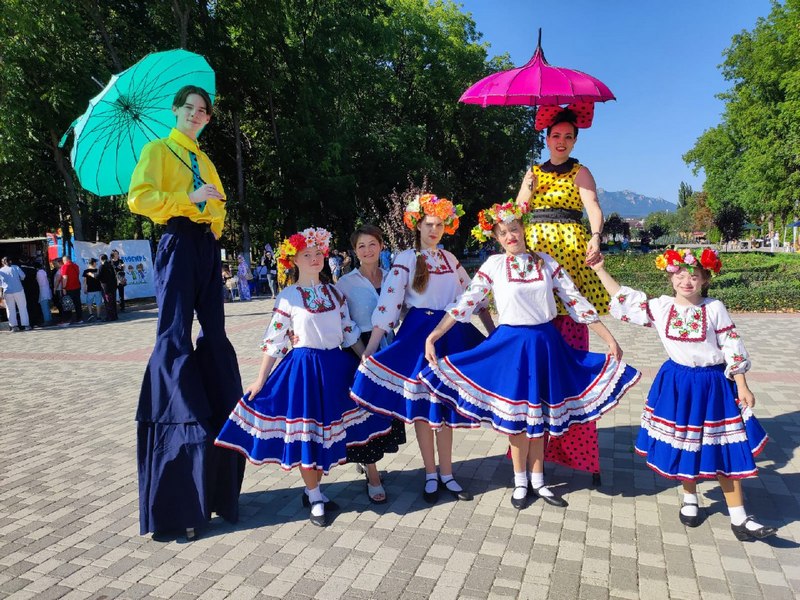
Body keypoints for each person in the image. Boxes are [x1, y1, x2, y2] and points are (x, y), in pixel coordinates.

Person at [420, 203, 640, 509]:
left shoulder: (547, 263)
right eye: (503, 233)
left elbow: (576, 302)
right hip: (512, 346)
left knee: (540, 417)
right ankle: (520, 480)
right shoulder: (494, 266)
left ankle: (539, 481)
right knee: (518, 419)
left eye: (514, 229)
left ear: (524, 230)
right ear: (496, 238)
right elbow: (465, 304)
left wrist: (609, 339)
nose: (510, 236)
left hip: (546, 343)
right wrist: (434, 336)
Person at [590, 248, 776, 540]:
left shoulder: (714, 308)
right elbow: (626, 299)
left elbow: (732, 346)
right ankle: (690, 498)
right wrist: (600, 269)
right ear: (670, 276)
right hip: (678, 383)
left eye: (694, 276)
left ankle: (740, 519)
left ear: (705, 279)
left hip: (714, 384)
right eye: (680, 275)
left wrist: (741, 383)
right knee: (684, 441)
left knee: (724, 447)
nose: (686, 281)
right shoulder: (662, 308)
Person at [128, 84, 245, 541]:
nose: (197, 116)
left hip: (205, 247)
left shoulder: (206, 159)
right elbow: (140, 198)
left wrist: (214, 216)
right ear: (175, 111)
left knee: (214, 337)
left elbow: (217, 208)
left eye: (203, 112)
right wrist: (189, 201)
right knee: (174, 336)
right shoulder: (159, 149)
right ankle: (177, 437)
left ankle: (220, 437)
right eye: (190, 109)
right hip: (176, 240)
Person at [214, 228, 392, 527]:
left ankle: (324, 488)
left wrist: (364, 358)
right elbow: (274, 340)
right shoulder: (289, 296)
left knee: (338, 430)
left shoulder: (334, 293)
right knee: (308, 433)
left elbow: (348, 331)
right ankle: (315, 494)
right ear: (293, 260)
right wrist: (260, 380)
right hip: (304, 368)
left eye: (318, 254)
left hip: (336, 366)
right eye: (306, 255)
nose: (314, 259)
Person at [351, 194, 495, 503]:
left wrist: (493, 335)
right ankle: (430, 474)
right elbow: (389, 303)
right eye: (429, 224)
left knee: (445, 405)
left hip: (451, 332)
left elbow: (474, 297)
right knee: (421, 407)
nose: (434, 230)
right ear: (418, 225)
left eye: (440, 225)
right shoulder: (406, 258)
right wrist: (372, 348)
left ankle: (447, 473)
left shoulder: (450, 259)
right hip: (417, 334)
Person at [514, 105, 608, 485]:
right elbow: (518, 209)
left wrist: (596, 237)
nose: (563, 142)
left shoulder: (580, 171)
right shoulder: (533, 173)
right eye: (557, 136)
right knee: (535, 343)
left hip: (570, 249)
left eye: (569, 136)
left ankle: (579, 453)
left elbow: (593, 208)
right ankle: (530, 455)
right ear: (547, 138)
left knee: (571, 349)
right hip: (535, 249)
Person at [336, 224, 407, 503]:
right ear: (354, 252)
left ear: (381, 246)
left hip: (389, 348)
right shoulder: (345, 283)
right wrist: (364, 352)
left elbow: (403, 312)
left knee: (385, 411)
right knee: (364, 412)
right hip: (359, 350)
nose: (367, 250)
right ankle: (373, 476)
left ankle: (370, 462)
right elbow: (345, 322)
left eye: (372, 244)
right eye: (361, 246)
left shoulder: (394, 277)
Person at [0, 257, 30, 332]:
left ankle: (13, 326)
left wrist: (0, 294)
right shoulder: (16, 267)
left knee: (10, 309)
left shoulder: (1, 270)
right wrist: (19, 280)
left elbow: (0, 284)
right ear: (10, 261)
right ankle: (26, 325)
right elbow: (23, 276)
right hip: (18, 290)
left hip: (7, 291)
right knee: (22, 307)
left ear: (2, 263)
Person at [60, 255, 82, 325]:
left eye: (63, 261)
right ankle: (79, 319)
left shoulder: (65, 266)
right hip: (77, 287)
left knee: (67, 304)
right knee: (77, 304)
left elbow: (65, 278)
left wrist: (63, 287)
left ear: (65, 260)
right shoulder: (76, 266)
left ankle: (67, 320)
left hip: (69, 288)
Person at [82, 258, 103, 322]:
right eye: (95, 262)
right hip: (98, 289)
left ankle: (91, 314)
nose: (96, 264)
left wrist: (85, 288)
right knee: (98, 303)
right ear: (93, 263)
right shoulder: (98, 270)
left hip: (90, 290)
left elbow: (85, 281)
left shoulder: (86, 271)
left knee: (89, 303)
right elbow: (101, 280)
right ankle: (98, 316)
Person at [98, 254, 118, 322]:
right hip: (112, 286)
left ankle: (109, 317)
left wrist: (91, 274)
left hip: (105, 287)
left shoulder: (102, 266)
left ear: (101, 259)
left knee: (108, 302)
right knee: (112, 301)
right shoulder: (110, 266)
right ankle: (114, 316)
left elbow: (98, 276)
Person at [35, 261, 53, 326]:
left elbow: (39, 283)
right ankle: (49, 319)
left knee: (44, 307)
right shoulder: (43, 272)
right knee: (47, 307)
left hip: (42, 291)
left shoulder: (38, 273)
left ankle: (47, 320)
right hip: (47, 290)